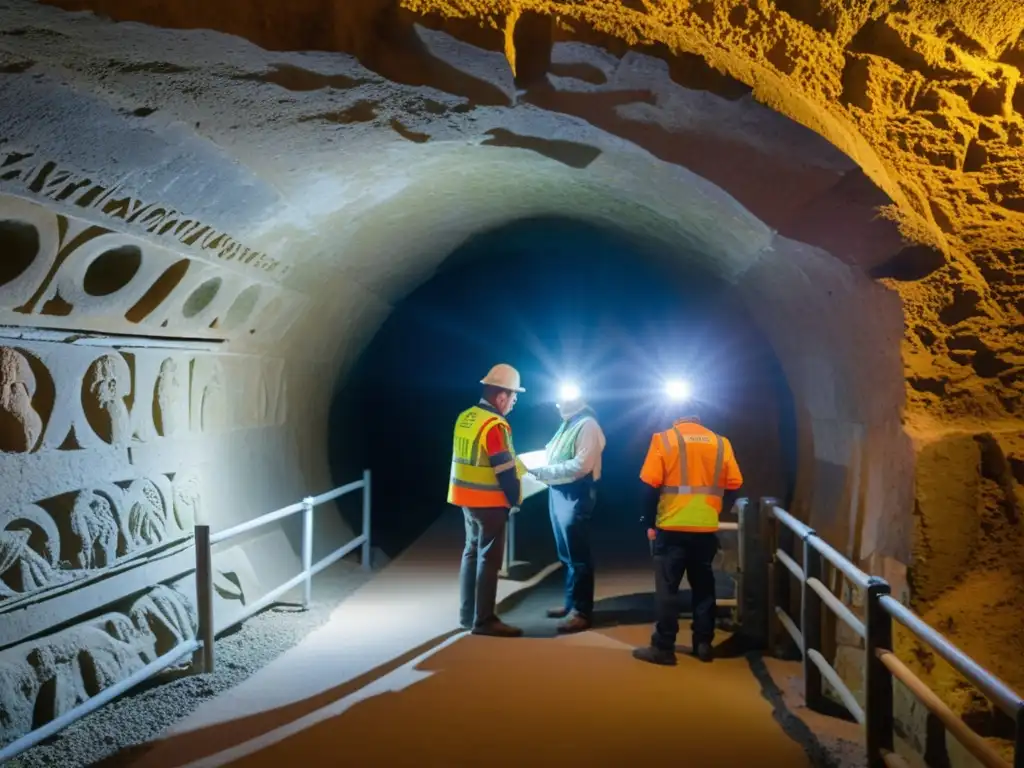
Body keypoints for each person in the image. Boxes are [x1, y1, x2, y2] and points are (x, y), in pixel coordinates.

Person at [632, 410, 743, 665]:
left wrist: (648, 523)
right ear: (698, 418)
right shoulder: (721, 443)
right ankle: (703, 644)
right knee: (704, 588)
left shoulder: (664, 439)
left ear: (675, 418)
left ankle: (664, 647)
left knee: (668, 589)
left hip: (671, 526)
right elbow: (735, 483)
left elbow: (649, 487)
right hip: (705, 528)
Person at [447, 363, 529, 638]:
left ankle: (467, 615)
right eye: (514, 397)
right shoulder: (495, 425)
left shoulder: (466, 417)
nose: (514, 403)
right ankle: (484, 621)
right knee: (489, 560)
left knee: (470, 554)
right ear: (501, 396)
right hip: (490, 503)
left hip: (465, 500)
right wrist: (515, 497)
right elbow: (503, 469)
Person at [529, 385, 606, 633]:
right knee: (567, 554)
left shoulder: (588, 426)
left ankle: (581, 612)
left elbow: (582, 465)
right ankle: (572, 603)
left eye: (561, 401)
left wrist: (543, 472)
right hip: (559, 491)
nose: (558, 405)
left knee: (578, 554)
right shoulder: (568, 424)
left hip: (576, 492)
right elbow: (553, 454)